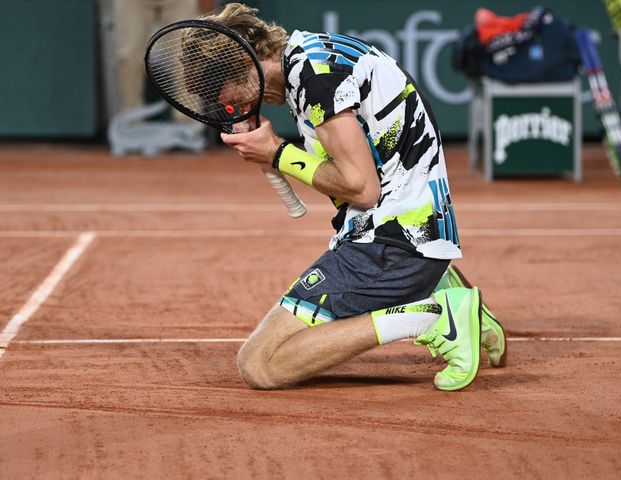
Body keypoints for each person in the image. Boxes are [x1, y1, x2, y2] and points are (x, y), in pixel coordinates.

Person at [205, 3, 507, 390]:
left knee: (260, 365)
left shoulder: (315, 78)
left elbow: (362, 188)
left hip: (392, 246)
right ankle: (444, 286)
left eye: (219, 91)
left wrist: (278, 153)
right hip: (413, 235)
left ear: (248, 61)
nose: (220, 103)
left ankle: (434, 316)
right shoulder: (311, 57)